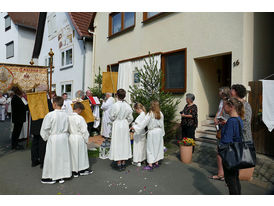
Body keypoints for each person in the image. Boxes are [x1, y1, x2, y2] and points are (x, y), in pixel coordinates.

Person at [40, 96, 71, 184]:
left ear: (54, 104)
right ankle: (62, 175)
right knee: (62, 157)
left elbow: (44, 129)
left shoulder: (50, 115)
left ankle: (51, 176)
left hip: (54, 137)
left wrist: (46, 138)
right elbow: (68, 127)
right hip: (64, 137)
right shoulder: (66, 115)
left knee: (52, 157)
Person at [220, 97, 244, 195]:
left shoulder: (231, 121)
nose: (223, 107)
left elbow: (226, 140)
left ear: (231, 107)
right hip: (237, 153)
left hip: (229, 155)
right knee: (235, 179)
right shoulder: (238, 119)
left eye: (225, 105)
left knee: (231, 181)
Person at [131, 101, 165, 170]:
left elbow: (143, 123)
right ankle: (156, 163)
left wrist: (135, 127)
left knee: (150, 148)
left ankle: (150, 164)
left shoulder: (150, 114)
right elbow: (162, 124)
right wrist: (162, 133)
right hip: (159, 132)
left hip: (152, 132)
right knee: (157, 147)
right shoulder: (160, 113)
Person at [109, 89, 133, 171]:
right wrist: (126, 122)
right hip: (124, 124)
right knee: (124, 142)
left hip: (118, 124)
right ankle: (123, 162)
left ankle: (119, 162)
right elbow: (130, 118)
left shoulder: (115, 105)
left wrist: (115, 120)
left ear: (117, 96)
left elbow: (111, 116)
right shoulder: (127, 105)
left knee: (118, 142)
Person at [210, 87, 230, 181]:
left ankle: (224, 174)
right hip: (219, 126)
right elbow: (219, 111)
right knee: (219, 150)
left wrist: (222, 121)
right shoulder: (221, 101)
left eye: (220, 92)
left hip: (225, 126)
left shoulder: (229, 102)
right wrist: (215, 118)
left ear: (224, 93)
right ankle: (221, 173)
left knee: (223, 150)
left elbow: (228, 114)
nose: (218, 93)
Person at [68, 102, 93, 177]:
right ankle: (82, 170)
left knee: (73, 154)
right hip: (79, 137)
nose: (81, 112)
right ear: (78, 109)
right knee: (81, 154)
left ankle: (74, 170)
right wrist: (86, 140)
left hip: (71, 136)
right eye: (81, 110)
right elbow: (84, 130)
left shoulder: (68, 117)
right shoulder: (80, 118)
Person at [31, 90, 54, 168]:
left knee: (35, 142)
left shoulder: (32, 99)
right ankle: (42, 162)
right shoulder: (46, 100)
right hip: (43, 124)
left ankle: (34, 161)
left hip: (35, 124)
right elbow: (51, 110)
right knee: (42, 144)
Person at [131, 103, 147, 167]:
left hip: (138, 132)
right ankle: (142, 159)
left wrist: (133, 127)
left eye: (136, 110)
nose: (136, 111)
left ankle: (138, 161)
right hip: (142, 132)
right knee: (142, 146)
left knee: (138, 146)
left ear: (138, 109)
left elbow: (138, 125)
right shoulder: (145, 114)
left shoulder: (140, 116)